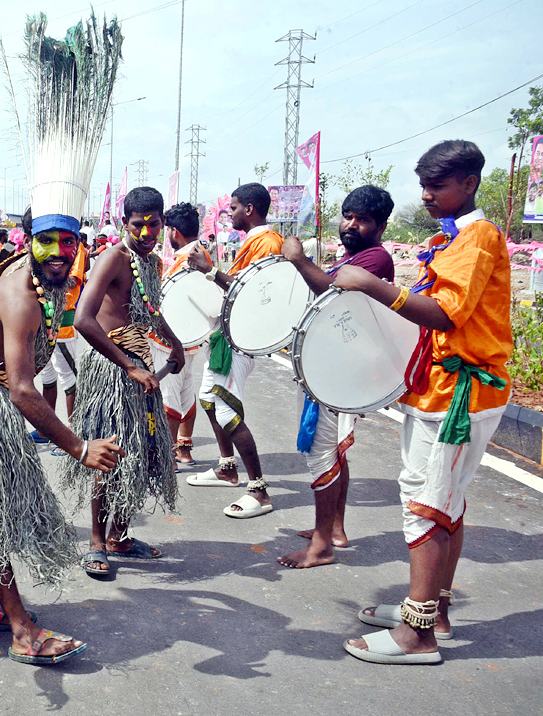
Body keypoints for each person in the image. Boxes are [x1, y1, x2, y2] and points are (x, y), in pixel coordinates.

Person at [0, 15, 123, 663]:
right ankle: (20, 630)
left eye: (69, 241)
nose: (60, 252)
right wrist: (78, 445)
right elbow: (25, 390)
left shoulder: (45, 275)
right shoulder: (20, 295)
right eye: (48, 241)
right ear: (28, 240)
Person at [340, 141, 510, 665]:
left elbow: (444, 314)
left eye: (437, 187)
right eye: (425, 186)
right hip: (441, 389)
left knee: (426, 507)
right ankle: (431, 610)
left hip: (458, 395)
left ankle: (418, 635)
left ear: (469, 185)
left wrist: (371, 284)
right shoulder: (453, 238)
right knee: (444, 502)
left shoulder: (478, 237)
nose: (427, 196)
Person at [276, 186, 396, 569]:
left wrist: (298, 260)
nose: (350, 224)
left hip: (338, 372)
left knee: (321, 453)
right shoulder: (357, 255)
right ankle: (335, 530)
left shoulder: (375, 258)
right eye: (347, 216)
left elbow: (333, 293)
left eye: (362, 219)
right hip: (333, 366)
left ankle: (323, 544)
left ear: (381, 225)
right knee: (333, 452)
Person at [65, 187, 183, 577]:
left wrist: (174, 341)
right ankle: (96, 542)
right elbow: (83, 319)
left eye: (154, 223)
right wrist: (127, 366)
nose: (147, 231)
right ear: (124, 222)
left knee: (139, 451)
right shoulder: (114, 257)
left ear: (164, 222)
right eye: (139, 224)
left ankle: (119, 536)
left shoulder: (148, 260)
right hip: (112, 370)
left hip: (140, 367)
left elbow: (148, 310)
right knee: (110, 455)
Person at [186, 183, 284, 519]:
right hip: (226, 335)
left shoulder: (268, 242)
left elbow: (255, 294)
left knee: (227, 411)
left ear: (251, 209)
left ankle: (259, 490)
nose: (230, 213)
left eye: (234, 207)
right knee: (209, 400)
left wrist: (210, 270)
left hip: (240, 338)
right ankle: (227, 468)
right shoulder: (255, 241)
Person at [149, 202, 210, 468]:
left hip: (171, 341)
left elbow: (167, 302)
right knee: (187, 392)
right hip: (193, 339)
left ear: (174, 231)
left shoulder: (184, 261)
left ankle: (169, 456)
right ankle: (183, 450)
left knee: (169, 396)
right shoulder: (203, 255)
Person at [37, 206, 88, 442]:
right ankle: (46, 431)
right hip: (41, 323)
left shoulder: (75, 249)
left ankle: (72, 434)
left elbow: (71, 281)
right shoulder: (42, 247)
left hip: (64, 324)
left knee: (68, 378)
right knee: (46, 377)